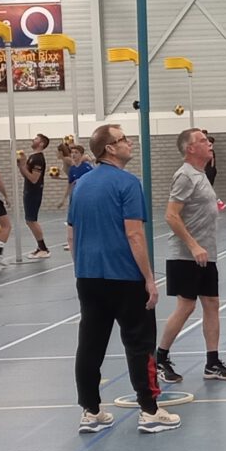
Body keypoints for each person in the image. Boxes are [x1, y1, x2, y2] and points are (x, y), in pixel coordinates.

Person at [67, 122, 175, 434]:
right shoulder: (128, 183)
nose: (129, 143)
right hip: (125, 278)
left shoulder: (81, 185)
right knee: (140, 344)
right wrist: (149, 279)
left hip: (88, 277)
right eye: (123, 139)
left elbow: (71, 235)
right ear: (110, 148)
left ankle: (90, 411)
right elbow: (134, 234)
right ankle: (150, 411)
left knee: (90, 345)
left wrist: (82, 269)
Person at [156, 127, 226, 386]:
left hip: (206, 253)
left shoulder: (202, 175)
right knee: (187, 305)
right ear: (190, 148)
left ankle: (212, 362)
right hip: (186, 255)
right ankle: (160, 358)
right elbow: (171, 215)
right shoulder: (185, 176)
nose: (209, 143)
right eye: (202, 141)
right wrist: (193, 246)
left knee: (211, 303)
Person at [18, 133, 52, 257]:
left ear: (41, 144)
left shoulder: (38, 159)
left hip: (34, 192)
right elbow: (26, 174)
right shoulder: (32, 157)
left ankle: (43, 248)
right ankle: (40, 247)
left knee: (32, 220)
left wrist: (23, 166)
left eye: (36, 139)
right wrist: (21, 165)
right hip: (28, 191)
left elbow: (34, 179)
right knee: (29, 220)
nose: (33, 139)